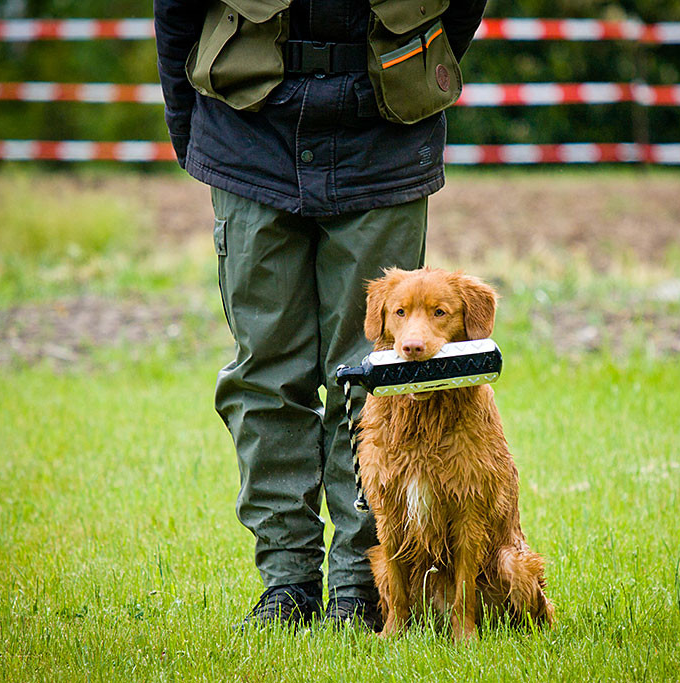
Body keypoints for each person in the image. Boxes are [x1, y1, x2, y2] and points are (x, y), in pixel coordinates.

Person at [154, 0, 487, 630]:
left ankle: (363, 581)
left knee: (376, 376)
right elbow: (176, 8)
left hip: (382, 140)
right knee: (266, 375)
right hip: (246, 134)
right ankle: (287, 583)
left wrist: (412, 69)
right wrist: (189, 125)